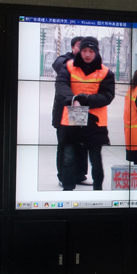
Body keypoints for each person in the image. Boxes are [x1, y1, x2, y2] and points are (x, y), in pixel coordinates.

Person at [56, 36, 115, 190]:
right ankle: (67, 191)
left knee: (96, 160)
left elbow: (107, 96)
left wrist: (84, 100)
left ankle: (97, 191)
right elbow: (61, 86)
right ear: (80, 51)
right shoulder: (69, 67)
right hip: (72, 118)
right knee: (68, 158)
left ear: (96, 52)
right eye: (84, 50)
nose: (87, 54)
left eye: (91, 51)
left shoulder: (106, 72)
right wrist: (72, 99)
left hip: (95, 121)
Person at [52, 36, 92, 187]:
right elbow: (58, 64)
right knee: (65, 146)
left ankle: (79, 175)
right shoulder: (64, 61)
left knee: (81, 145)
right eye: (80, 46)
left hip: (80, 111)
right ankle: (63, 177)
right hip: (64, 111)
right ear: (73, 47)